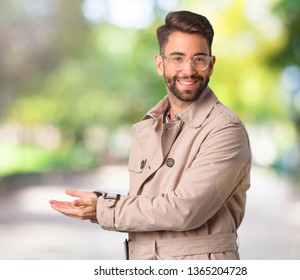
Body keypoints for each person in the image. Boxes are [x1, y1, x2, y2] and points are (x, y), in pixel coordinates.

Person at [49, 10, 252, 260]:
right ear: (160, 63)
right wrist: (99, 202)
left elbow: (185, 209)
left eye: (199, 59)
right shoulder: (148, 126)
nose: (188, 70)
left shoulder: (225, 129)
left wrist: (103, 208)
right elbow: (149, 204)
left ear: (211, 65)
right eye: (177, 58)